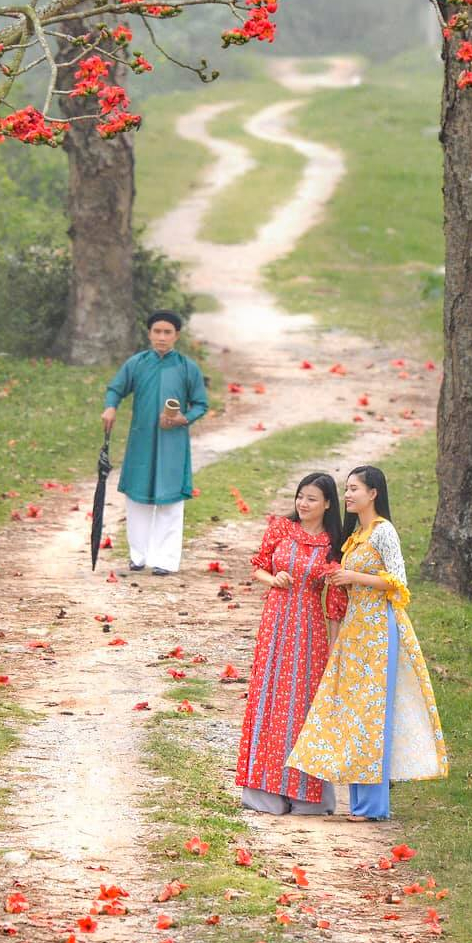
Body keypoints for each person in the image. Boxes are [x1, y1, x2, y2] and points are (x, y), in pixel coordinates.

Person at [286, 465, 447, 822]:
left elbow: (399, 582)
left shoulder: (383, 531)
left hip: (379, 630)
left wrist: (353, 576)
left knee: (373, 716)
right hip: (356, 631)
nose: (348, 495)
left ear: (373, 493)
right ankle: (359, 803)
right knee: (357, 715)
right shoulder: (355, 535)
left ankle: (372, 806)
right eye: (346, 489)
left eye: (355, 489)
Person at [235, 473, 348, 815]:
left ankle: (305, 795)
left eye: (312, 498)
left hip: (309, 627)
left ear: (327, 503)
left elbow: (336, 599)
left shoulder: (333, 543)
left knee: (301, 704)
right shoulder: (281, 529)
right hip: (276, 622)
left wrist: (333, 644)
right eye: (301, 496)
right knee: (268, 696)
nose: (303, 503)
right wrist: (275, 578)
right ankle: (264, 793)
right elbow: (258, 567)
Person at [99, 311, 208, 575]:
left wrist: (184, 418)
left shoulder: (186, 367)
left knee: (170, 503)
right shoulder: (137, 363)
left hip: (173, 442)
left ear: (176, 336)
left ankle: (166, 560)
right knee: (137, 500)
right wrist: (110, 408)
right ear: (149, 334)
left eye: (167, 332)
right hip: (141, 440)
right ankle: (138, 556)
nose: (161, 337)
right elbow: (116, 388)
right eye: (157, 331)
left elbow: (201, 404)